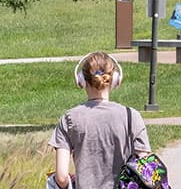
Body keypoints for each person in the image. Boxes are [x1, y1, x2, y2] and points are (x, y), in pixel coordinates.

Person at [51, 51, 150, 189]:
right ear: (115, 79)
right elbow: (145, 170)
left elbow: (61, 178)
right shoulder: (131, 116)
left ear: (81, 80)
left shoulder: (69, 119)